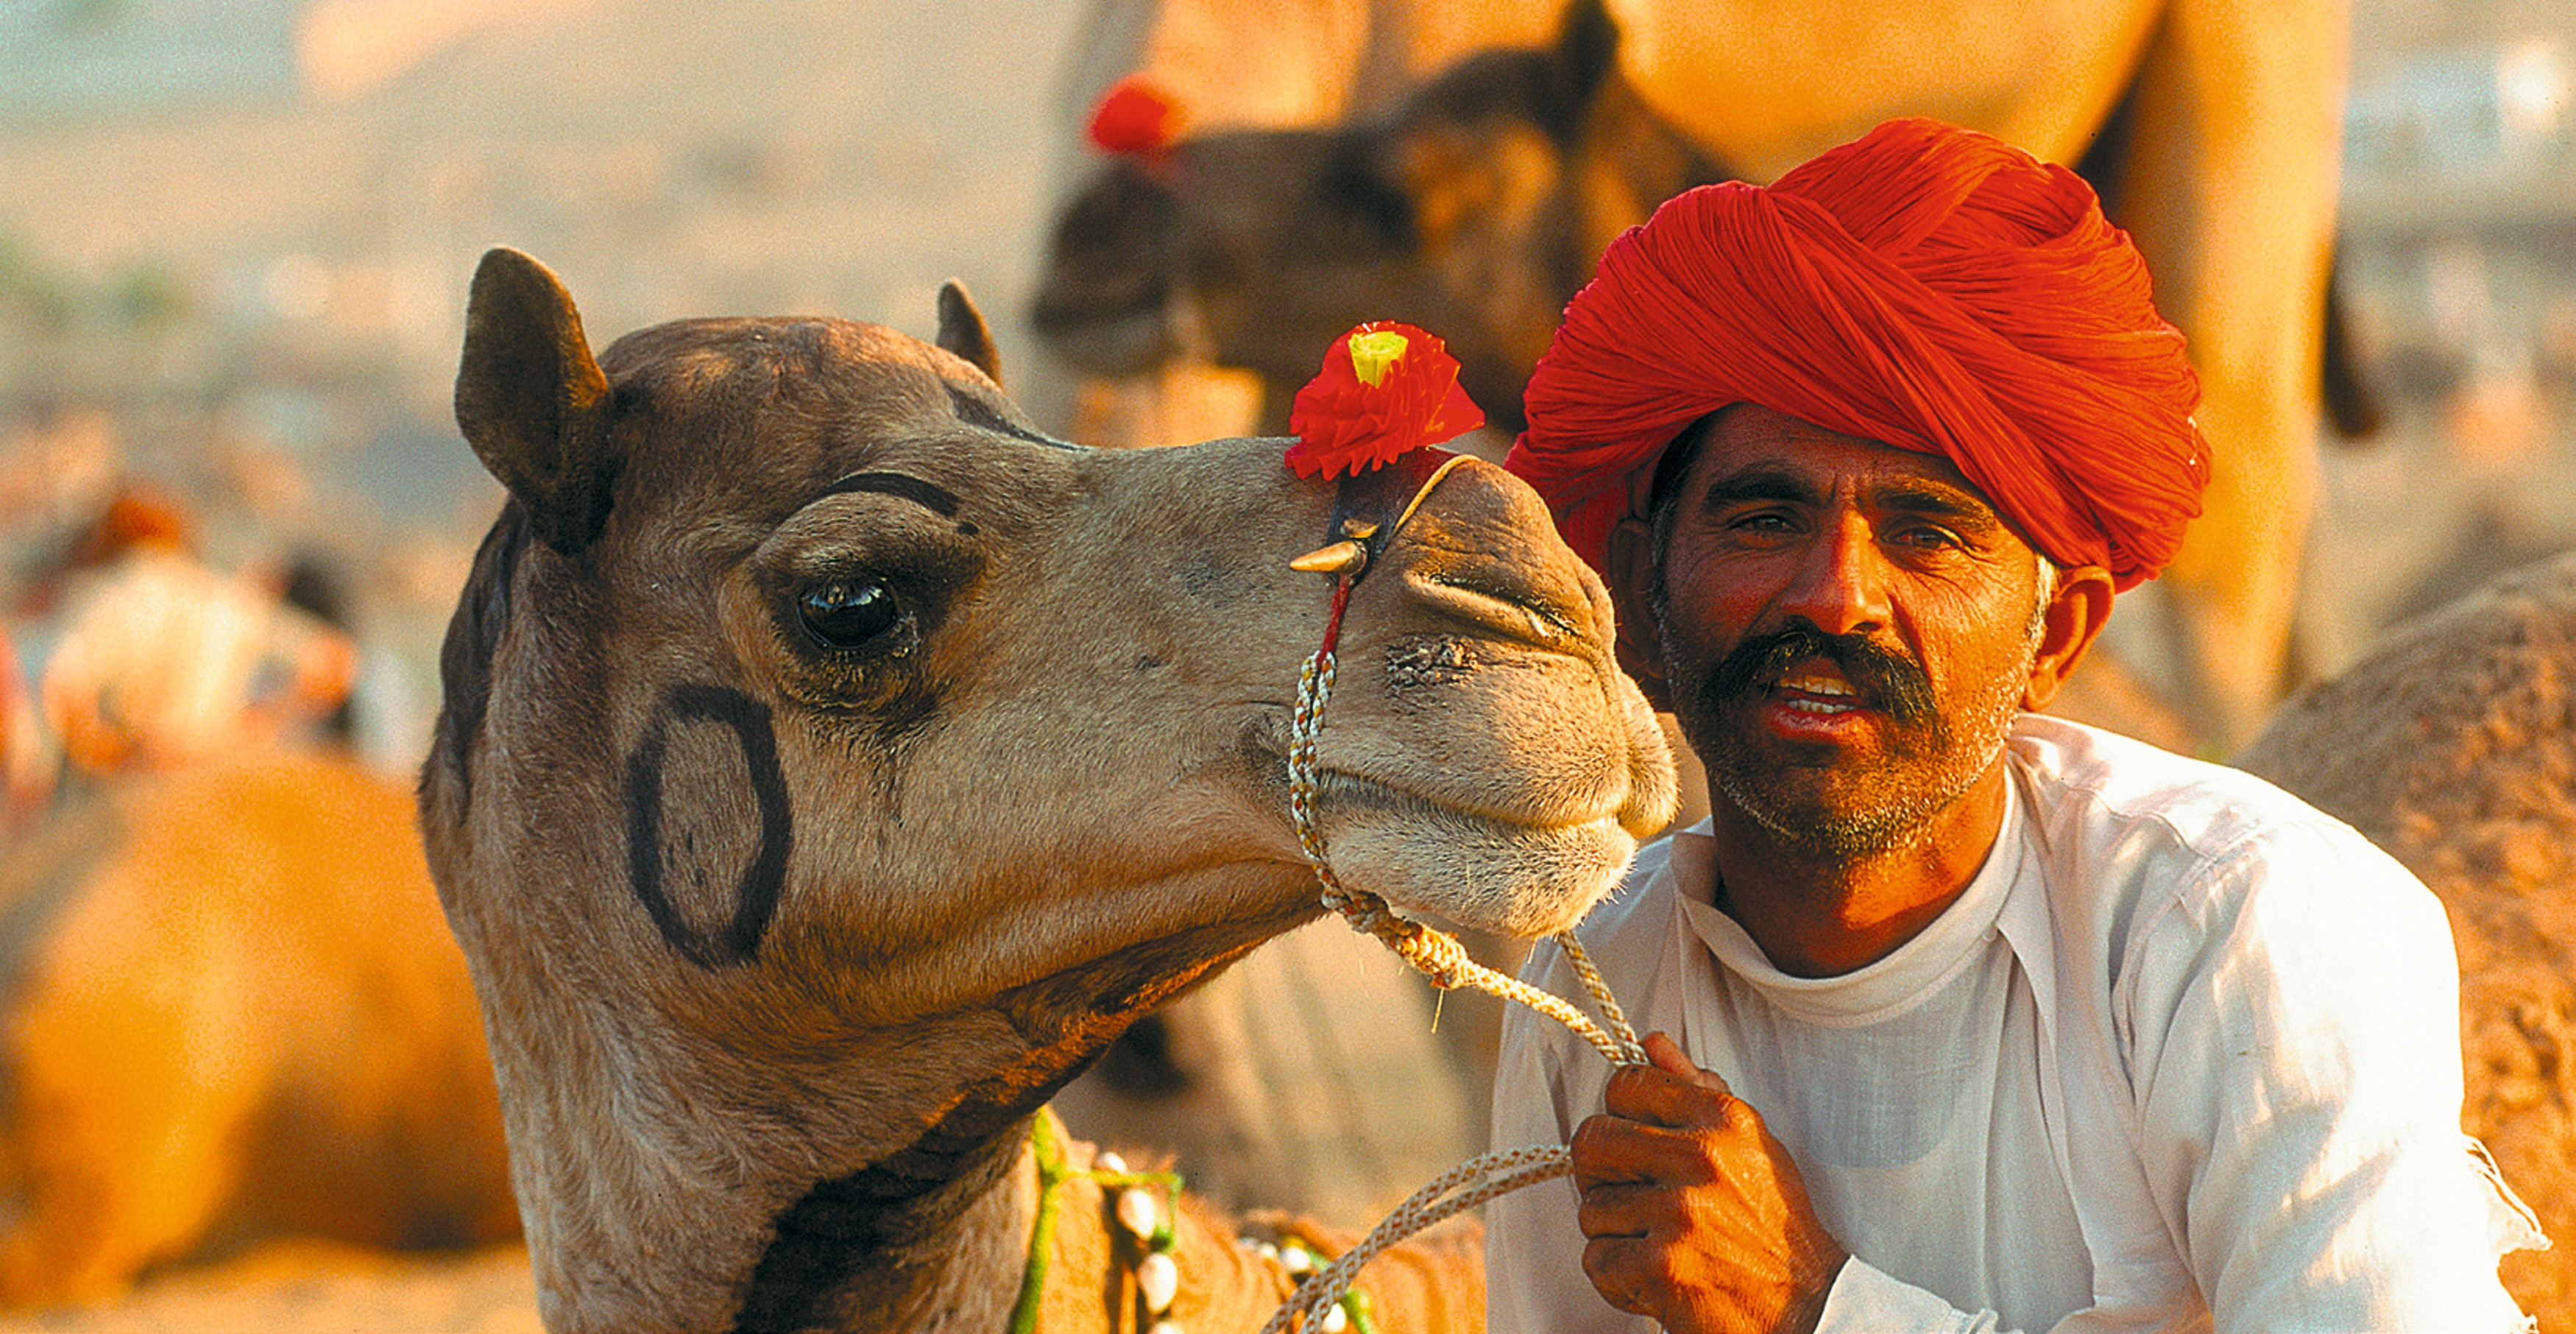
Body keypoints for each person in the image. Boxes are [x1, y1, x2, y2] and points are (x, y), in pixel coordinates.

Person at [1485, 116, 2545, 1333]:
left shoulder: (2233, 929)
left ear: (2057, 638)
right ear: (1639, 598)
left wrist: (1818, 1307)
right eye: (1764, 519)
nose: (1838, 593)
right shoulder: (1593, 995)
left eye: (1927, 534)